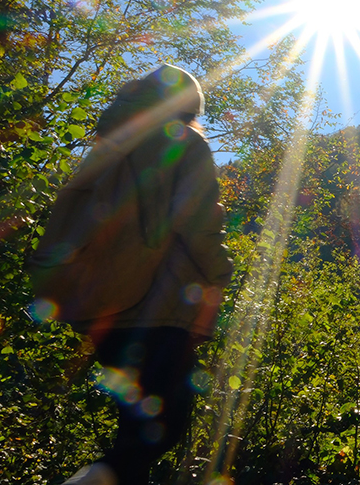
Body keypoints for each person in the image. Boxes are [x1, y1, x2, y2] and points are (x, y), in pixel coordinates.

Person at [63, 65, 233, 485]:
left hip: (106, 309)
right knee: (162, 427)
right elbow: (196, 219)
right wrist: (221, 269)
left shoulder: (107, 149)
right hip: (160, 306)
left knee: (134, 427)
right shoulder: (184, 141)